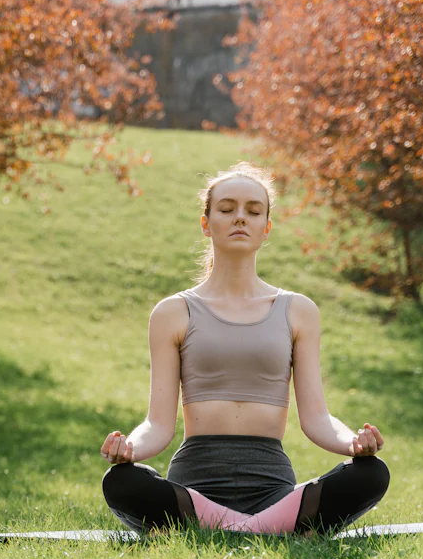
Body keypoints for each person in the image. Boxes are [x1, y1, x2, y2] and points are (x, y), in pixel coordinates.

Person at [99, 162, 390, 538]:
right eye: (226, 209)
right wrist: (129, 449)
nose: (240, 218)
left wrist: (353, 442)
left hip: (273, 489)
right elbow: (158, 425)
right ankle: (270, 531)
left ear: (266, 228)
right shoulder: (173, 312)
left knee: (371, 474)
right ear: (206, 223)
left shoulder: (298, 310)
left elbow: (317, 418)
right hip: (194, 488)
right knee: (121, 481)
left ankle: (219, 529)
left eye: (253, 211)